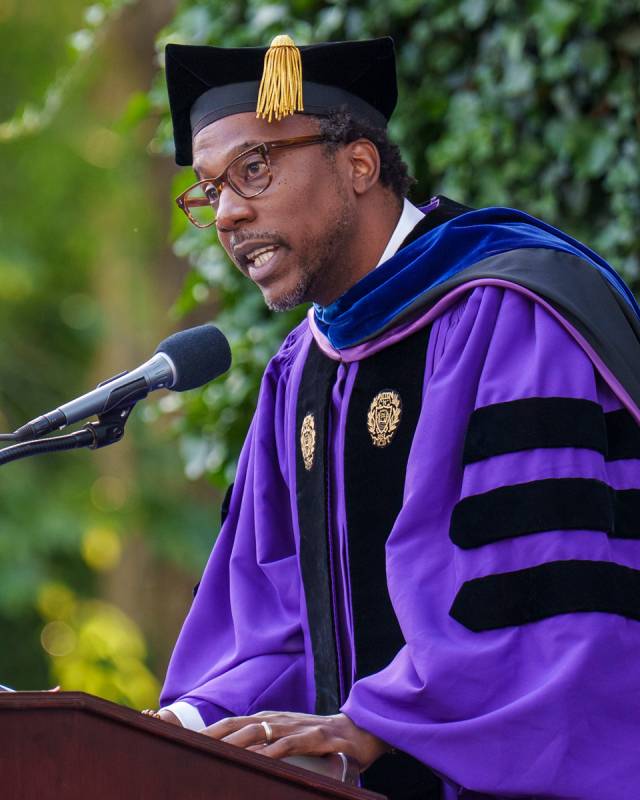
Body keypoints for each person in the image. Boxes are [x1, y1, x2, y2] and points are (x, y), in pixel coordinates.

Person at [148, 35, 640, 799]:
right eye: (209, 192)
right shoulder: (300, 372)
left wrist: (382, 721)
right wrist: (182, 725)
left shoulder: (508, 315)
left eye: (254, 168)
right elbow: (272, 624)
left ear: (359, 165)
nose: (230, 214)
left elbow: (540, 595)